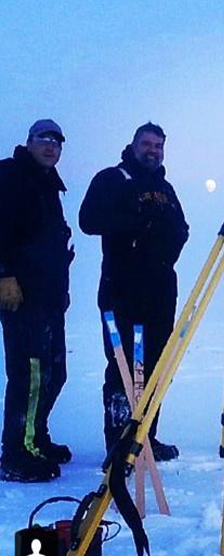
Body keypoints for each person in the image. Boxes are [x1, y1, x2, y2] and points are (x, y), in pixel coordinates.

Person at [79, 123, 189, 461]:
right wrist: (136, 222)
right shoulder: (112, 179)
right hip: (121, 290)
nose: (152, 150)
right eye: (147, 143)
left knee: (155, 366)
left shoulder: (166, 189)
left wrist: (165, 248)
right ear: (134, 144)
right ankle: (120, 442)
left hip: (159, 292)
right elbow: (89, 220)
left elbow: (181, 229)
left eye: (158, 145)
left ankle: (144, 438)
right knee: (123, 366)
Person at [0, 119, 74, 482]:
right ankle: (15, 452)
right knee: (29, 375)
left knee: (54, 373)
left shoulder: (48, 185)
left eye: (57, 142)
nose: (50, 147)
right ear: (28, 141)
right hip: (22, 296)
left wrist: (62, 289)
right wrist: (4, 275)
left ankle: (35, 437)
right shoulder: (11, 175)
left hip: (48, 297)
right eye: (43, 140)